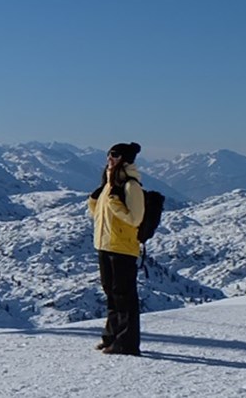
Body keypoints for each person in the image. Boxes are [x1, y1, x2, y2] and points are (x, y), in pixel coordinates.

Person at [88, 141, 146, 356]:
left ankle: (127, 343)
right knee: (111, 294)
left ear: (124, 159)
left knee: (124, 296)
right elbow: (101, 217)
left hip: (122, 248)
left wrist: (113, 203)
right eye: (108, 154)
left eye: (114, 155)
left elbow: (134, 218)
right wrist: (95, 202)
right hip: (105, 245)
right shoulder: (110, 185)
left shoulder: (131, 186)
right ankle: (112, 337)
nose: (109, 159)